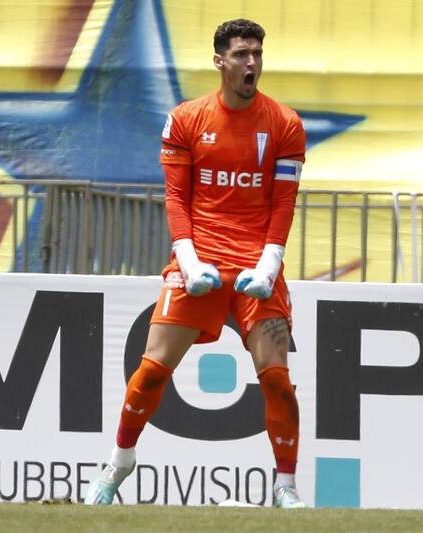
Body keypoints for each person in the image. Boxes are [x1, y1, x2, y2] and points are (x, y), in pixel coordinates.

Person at [85, 18, 306, 509]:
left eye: (257, 54)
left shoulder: (285, 124)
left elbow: (283, 202)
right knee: (151, 370)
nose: (252, 62)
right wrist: (188, 261)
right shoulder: (186, 119)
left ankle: (286, 488)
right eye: (242, 54)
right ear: (220, 61)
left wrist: (268, 267)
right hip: (198, 261)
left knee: (276, 379)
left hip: (255, 268)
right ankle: (118, 464)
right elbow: (176, 198)